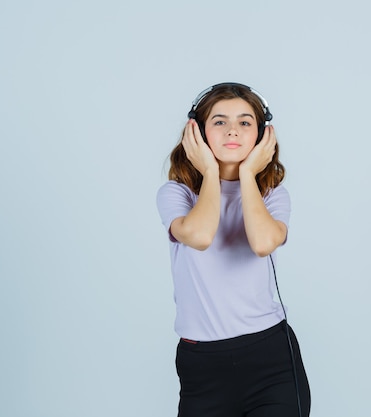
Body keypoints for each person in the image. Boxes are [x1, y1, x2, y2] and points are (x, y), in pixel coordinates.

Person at [156, 83, 311, 417]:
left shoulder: (272, 195)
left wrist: (247, 175)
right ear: (195, 131)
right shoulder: (176, 194)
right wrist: (211, 172)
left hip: (270, 358)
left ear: (261, 134)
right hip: (203, 367)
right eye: (219, 121)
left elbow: (262, 243)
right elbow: (198, 235)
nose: (232, 131)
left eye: (245, 122)